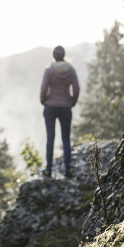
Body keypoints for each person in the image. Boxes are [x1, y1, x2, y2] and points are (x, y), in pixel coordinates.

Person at [39, 45, 79, 178]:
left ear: (54, 56)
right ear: (63, 55)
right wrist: (72, 102)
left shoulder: (49, 70)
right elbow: (77, 89)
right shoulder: (71, 70)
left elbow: (44, 89)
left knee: (50, 137)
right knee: (66, 138)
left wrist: (43, 100)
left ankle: (49, 168)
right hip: (66, 107)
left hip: (50, 106)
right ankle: (67, 169)